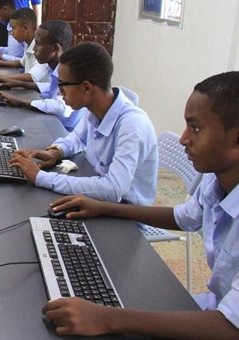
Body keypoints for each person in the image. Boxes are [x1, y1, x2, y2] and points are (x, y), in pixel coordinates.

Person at [43, 71, 239, 339]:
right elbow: (184, 217)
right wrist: (105, 208)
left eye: (195, 129)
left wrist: (106, 318)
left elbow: (229, 327)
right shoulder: (216, 180)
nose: (184, 139)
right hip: (216, 307)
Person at [9, 42, 157, 204]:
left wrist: (40, 177)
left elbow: (113, 189)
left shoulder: (132, 126)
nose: (60, 92)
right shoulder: (95, 108)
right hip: (96, 190)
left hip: (124, 211)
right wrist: (57, 151)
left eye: (63, 85)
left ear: (86, 87)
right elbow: (79, 138)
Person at [0, 20, 83, 131]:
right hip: (55, 124)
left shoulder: (70, 72)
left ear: (55, 48)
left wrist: (18, 101)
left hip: (65, 131)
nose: (34, 49)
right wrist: (19, 83)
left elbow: (60, 107)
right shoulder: (53, 67)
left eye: (38, 44)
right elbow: (52, 88)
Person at [0, 8, 49, 84]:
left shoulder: (41, 49)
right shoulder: (28, 44)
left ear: (25, 28)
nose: (11, 33)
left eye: (13, 28)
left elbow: (31, 77)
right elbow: (21, 63)